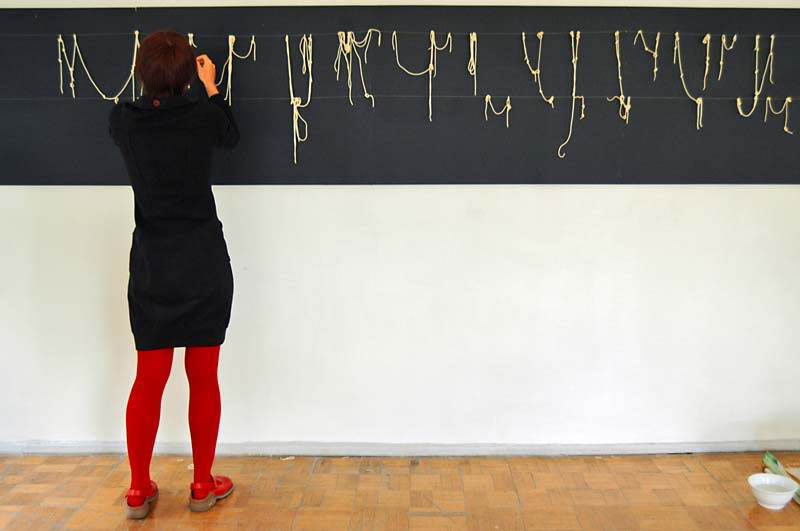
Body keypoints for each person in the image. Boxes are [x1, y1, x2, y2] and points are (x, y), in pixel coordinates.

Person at [107, 30, 240, 519]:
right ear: (187, 75)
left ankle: (138, 488)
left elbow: (144, 110)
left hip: (153, 266)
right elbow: (230, 135)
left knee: (148, 378)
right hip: (202, 261)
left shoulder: (123, 121)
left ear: (141, 73)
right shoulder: (204, 116)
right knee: (203, 377)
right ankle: (202, 484)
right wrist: (212, 86)